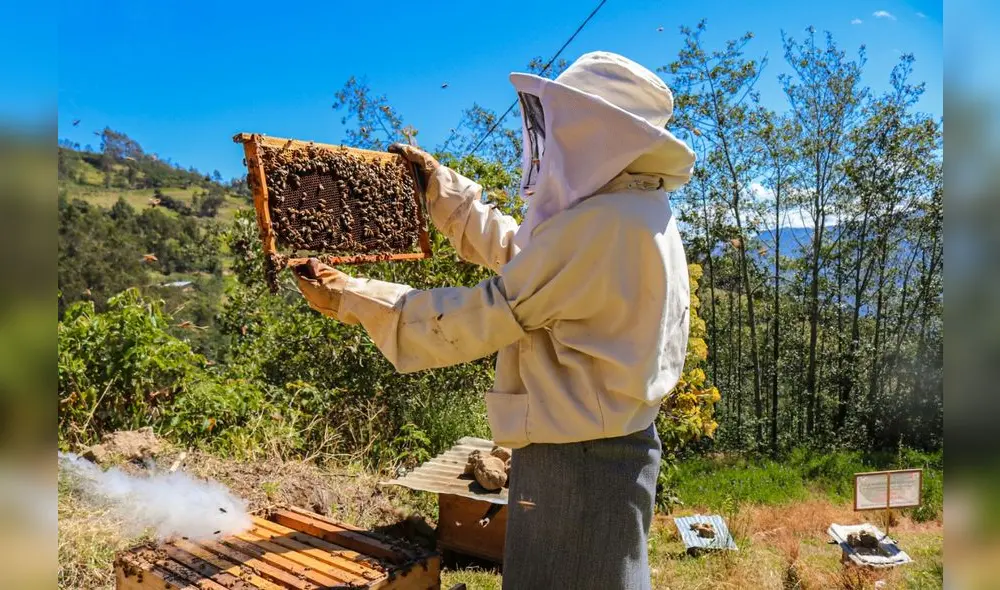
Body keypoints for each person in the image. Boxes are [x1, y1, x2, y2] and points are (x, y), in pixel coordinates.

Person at [292, 51, 696, 590]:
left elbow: (484, 314)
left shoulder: (604, 226)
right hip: (598, 450)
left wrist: (351, 298)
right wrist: (444, 192)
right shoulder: (633, 210)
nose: (549, 139)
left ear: (593, 133)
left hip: (579, 462)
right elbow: (526, 256)